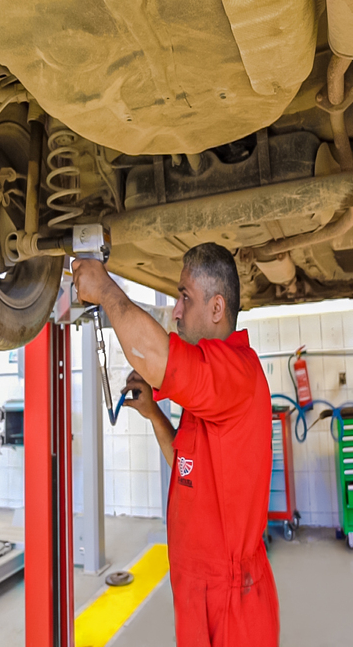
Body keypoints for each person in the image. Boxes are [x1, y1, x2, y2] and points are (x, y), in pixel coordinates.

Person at [72, 243, 279, 647]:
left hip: (231, 603)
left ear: (216, 308)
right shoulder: (212, 387)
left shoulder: (234, 372)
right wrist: (154, 415)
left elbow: (155, 356)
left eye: (185, 297)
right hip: (198, 594)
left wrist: (106, 290)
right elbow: (187, 468)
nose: (176, 312)